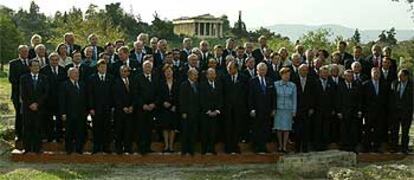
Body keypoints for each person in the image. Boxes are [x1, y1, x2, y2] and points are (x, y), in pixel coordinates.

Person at [20, 60, 49, 153]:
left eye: (38, 66)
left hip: (39, 108)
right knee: (27, 127)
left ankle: (37, 148)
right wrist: (30, 104)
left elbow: (46, 93)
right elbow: (23, 93)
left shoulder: (44, 78)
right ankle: (27, 148)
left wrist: (37, 104)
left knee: (38, 127)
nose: (36, 67)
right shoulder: (24, 78)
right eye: (34, 66)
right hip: (27, 108)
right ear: (30, 67)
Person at [87, 59, 114, 154]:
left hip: (107, 108)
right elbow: (90, 94)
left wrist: (112, 106)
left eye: (105, 67)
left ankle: (106, 147)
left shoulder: (111, 78)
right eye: (101, 67)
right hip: (96, 108)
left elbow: (112, 94)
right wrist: (91, 108)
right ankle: (96, 147)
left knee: (107, 127)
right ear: (97, 68)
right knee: (96, 128)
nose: (103, 68)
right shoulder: (92, 78)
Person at [40, 52, 67, 142]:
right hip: (48, 99)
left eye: (56, 60)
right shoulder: (44, 70)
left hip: (60, 99)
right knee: (48, 119)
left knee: (59, 120)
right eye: (52, 60)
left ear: (58, 60)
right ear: (49, 60)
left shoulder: (63, 70)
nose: (54, 62)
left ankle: (59, 137)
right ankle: (49, 137)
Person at [248, 62, 275, 154]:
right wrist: (251, 109)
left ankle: (263, 147)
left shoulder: (270, 81)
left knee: (265, 129)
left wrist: (273, 108)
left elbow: (273, 96)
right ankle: (257, 147)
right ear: (257, 70)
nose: (263, 71)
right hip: (256, 109)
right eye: (261, 70)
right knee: (257, 129)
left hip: (267, 110)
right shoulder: (252, 81)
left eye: (264, 70)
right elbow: (250, 96)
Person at [60, 67, 87, 154]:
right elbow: (62, 100)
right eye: (74, 73)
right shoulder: (64, 85)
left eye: (77, 73)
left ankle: (79, 149)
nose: (77, 74)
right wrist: (63, 113)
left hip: (81, 113)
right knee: (69, 132)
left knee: (80, 131)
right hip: (69, 113)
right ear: (69, 75)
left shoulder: (82, 84)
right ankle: (69, 149)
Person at [222, 61, 248, 154]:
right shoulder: (224, 78)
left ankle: (236, 147)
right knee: (228, 128)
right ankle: (228, 147)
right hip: (227, 108)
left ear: (236, 68)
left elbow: (246, 94)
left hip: (239, 108)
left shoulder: (244, 78)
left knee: (238, 127)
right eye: (228, 68)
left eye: (230, 68)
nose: (228, 70)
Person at [361, 67, 387, 152]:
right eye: (374, 73)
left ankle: (376, 147)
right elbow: (362, 99)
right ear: (371, 74)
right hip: (368, 112)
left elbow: (386, 99)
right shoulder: (365, 84)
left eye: (378, 73)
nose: (376, 74)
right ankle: (366, 147)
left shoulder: (384, 85)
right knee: (367, 130)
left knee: (378, 130)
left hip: (380, 112)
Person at [336, 70, 363, 152]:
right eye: (347, 76)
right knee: (344, 129)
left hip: (354, 111)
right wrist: (339, 111)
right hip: (344, 111)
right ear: (344, 76)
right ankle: (344, 146)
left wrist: (359, 110)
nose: (349, 77)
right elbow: (337, 99)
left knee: (353, 129)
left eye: (351, 76)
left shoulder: (356, 85)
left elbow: (359, 99)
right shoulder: (340, 86)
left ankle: (352, 146)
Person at [136, 60, 159, 154]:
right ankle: (141, 148)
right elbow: (136, 93)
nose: (148, 68)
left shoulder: (155, 78)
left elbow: (158, 93)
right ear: (143, 68)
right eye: (146, 66)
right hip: (141, 109)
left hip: (152, 108)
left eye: (149, 66)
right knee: (141, 129)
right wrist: (143, 105)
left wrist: (154, 104)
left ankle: (148, 147)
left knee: (150, 129)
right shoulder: (138, 78)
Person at [113, 65, 137, 154]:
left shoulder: (132, 81)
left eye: (127, 71)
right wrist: (123, 107)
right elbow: (116, 97)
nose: (126, 73)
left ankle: (128, 147)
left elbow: (135, 95)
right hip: (120, 110)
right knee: (119, 130)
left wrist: (132, 106)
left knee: (129, 130)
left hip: (130, 110)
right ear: (120, 72)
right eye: (124, 71)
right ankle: (118, 148)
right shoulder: (116, 82)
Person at [199, 68, 223, 155]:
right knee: (205, 131)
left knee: (214, 132)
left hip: (216, 113)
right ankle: (204, 149)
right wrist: (208, 110)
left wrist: (217, 110)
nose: (212, 75)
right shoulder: (202, 85)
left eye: (213, 74)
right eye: (210, 74)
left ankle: (212, 148)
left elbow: (220, 98)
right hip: (205, 113)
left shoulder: (218, 85)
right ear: (207, 75)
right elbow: (202, 99)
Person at [389, 69, 413, 154]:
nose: (399, 77)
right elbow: (391, 96)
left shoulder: (412, 85)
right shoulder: (395, 83)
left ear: (406, 76)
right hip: (395, 112)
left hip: (406, 112)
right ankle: (394, 147)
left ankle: (404, 148)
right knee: (394, 130)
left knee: (405, 131)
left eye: (401, 75)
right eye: (398, 75)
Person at [8, 45, 30, 141]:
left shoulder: (31, 62)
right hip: (18, 94)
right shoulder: (13, 63)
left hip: (30, 94)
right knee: (19, 114)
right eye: (23, 51)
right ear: (19, 52)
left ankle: (28, 133)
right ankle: (19, 134)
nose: (25, 53)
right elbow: (11, 79)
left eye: (26, 51)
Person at [273, 67, 297, 153]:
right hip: (279, 109)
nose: (287, 76)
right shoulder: (275, 84)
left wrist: (294, 111)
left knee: (287, 128)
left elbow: (294, 99)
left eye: (288, 75)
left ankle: (284, 146)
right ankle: (279, 145)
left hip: (288, 109)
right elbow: (273, 98)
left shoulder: (293, 85)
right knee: (279, 128)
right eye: (285, 75)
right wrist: (273, 108)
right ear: (281, 75)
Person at [293, 64, 316, 153]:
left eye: (306, 70)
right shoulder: (294, 79)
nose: (304, 72)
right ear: (299, 70)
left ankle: (305, 148)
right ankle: (297, 148)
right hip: (297, 108)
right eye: (302, 70)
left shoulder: (311, 80)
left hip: (307, 108)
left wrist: (311, 107)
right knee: (297, 129)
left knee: (306, 129)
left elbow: (313, 95)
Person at [313, 65, 335, 151]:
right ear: (319, 73)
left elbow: (334, 97)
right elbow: (312, 97)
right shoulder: (315, 83)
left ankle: (325, 145)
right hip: (317, 109)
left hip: (328, 110)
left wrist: (333, 108)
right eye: (323, 73)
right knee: (317, 127)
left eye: (326, 73)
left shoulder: (331, 83)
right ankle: (317, 145)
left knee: (326, 127)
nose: (325, 74)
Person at [158, 64, 179, 153]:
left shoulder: (177, 82)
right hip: (164, 108)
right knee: (165, 127)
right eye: (166, 72)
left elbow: (179, 96)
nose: (168, 73)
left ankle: (171, 146)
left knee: (173, 127)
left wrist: (174, 105)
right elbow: (158, 95)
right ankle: (166, 146)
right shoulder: (161, 83)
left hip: (174, 108)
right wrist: (163, 102)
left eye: (170, 71)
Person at [179, 68, 200, 156]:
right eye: (195, 75)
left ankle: (191, 149)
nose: (196, 76)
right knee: (185, 131)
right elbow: (182, 99)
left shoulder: (197, 85)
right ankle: (185, 149)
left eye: (197, 75)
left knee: (193, 131)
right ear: (190, 75)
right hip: (186, 113)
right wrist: (183, 112)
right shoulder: (184, 85)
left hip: (195, 113)